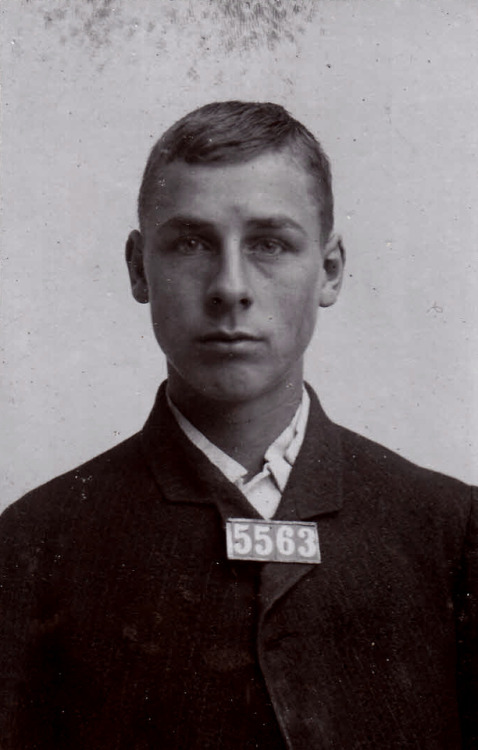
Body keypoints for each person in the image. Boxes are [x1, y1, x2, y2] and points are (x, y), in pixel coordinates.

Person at [0, 101, 476, 750]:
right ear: (140, 268)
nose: (230, 286)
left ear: (330, 271)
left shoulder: (452, 534)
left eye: (269, 244)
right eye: (192, 242)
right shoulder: (31, 547)